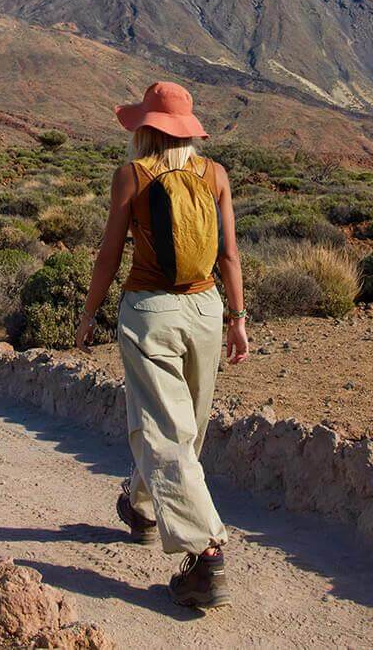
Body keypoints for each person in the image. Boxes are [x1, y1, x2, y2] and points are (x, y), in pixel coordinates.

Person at [75, 80, 249, 610]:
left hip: (150, 312)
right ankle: (144, 508)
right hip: (205, 311)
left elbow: (109, 253)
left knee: (162, 429)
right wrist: (238, 320)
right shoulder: (215, 173)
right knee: (185, 427)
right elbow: (230, 256)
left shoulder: (130, 176)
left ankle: (207, 554)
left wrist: (89, 313)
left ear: (145, 129)